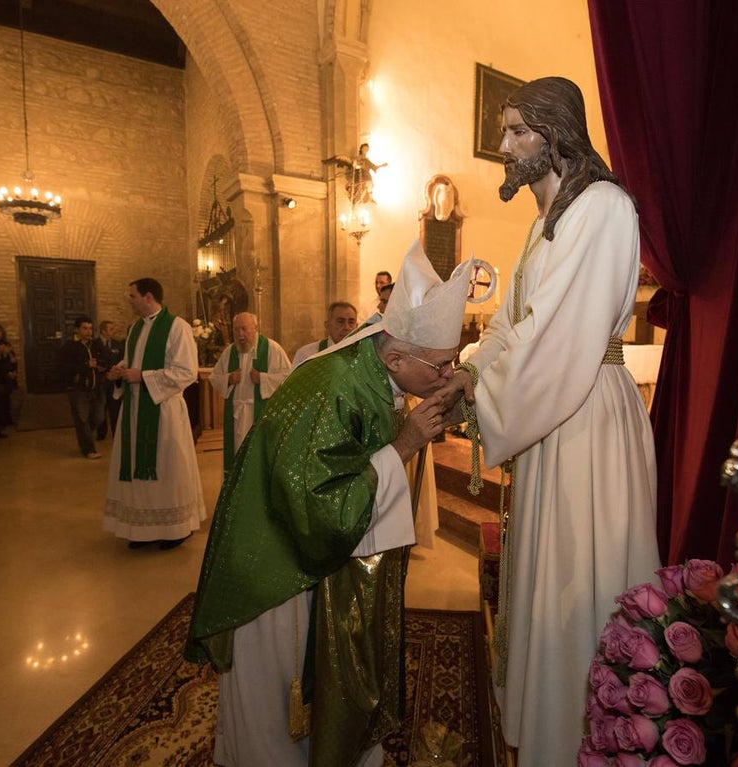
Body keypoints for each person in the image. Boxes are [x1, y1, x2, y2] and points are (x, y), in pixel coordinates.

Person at [436, 76, 660, 765]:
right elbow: (513, 324)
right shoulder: (542, 225)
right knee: (547, 572)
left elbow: (562, 333)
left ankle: (588, 734)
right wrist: (472, 369)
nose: (503, 147)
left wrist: (482, 394)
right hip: (547, 414)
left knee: (583, 576)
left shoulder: (606, 208)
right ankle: (543, 726)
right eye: (504, 132)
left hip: (586, 412)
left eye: (516, 132)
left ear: (557, 132)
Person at [187, 244, 474, 767]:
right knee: (282, 700)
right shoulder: (334, 386)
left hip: (306, 555)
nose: (447, 373)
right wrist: (406, 443)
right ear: (395, 358)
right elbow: (322, 512)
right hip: (281, 570)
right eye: (441, 365)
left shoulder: (375, 367)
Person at [103, 278, 206, 550]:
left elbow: (187, 372)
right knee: (137, 469)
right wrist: (120, 371)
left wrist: (142, 377)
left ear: (148, 297)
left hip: (165, 412)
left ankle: (175, 529)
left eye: (132, 296)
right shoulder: (136, 328)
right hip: (135, 411)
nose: (130, 301)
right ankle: (141, 530)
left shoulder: (177, 328)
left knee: (167, 469)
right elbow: (132, 363)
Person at [209, 312, 291, 474]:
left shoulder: (272, 349)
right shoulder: (229, 352)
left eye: (244, 329)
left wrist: (262, 378)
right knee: (237, 457)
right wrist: (229, 378)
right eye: (236, 330)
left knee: (258, 458)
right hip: (236, 416)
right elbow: (214, 378)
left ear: (255, 328)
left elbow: (288, 378)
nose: (240, 335)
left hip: (260, 413)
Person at [59, 316, 104, 459]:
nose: (88, 331)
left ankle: (85, 435)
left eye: (90, 328)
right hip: (78, 389)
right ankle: (88, 449)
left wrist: (102, 366)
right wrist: (86, 365)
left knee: (99, 417)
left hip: (97, 387)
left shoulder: (96, 345)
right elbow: (64, 368)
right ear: (77, 330)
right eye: (85, 328)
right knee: (82, 418)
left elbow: (106, 360)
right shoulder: (68, 347)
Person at [291, 301, 357, 367]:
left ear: (357, 326)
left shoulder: (364, 354)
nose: (346, 327)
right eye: (340, 322)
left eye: (351, 322)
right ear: (327, 325)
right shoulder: (307, 354)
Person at [91, 320, 124, 440]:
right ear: (103, 331)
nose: (113, 332)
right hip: (100, 381)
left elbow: (122, 359)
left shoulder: (118, 344)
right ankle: (101, 433)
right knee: (100, 409)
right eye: (111, 329)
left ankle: (116, 433)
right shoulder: (93, 344)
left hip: (114, 381)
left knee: (115, 407)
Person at [0, 323, 17, 433]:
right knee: (0, 399)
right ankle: (1, 421)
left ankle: (8, 418)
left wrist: (14, 371)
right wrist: (6, 373)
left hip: (9, 374)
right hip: (0, 376)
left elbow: (12, 358)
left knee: (7, 399)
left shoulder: (6, 344)